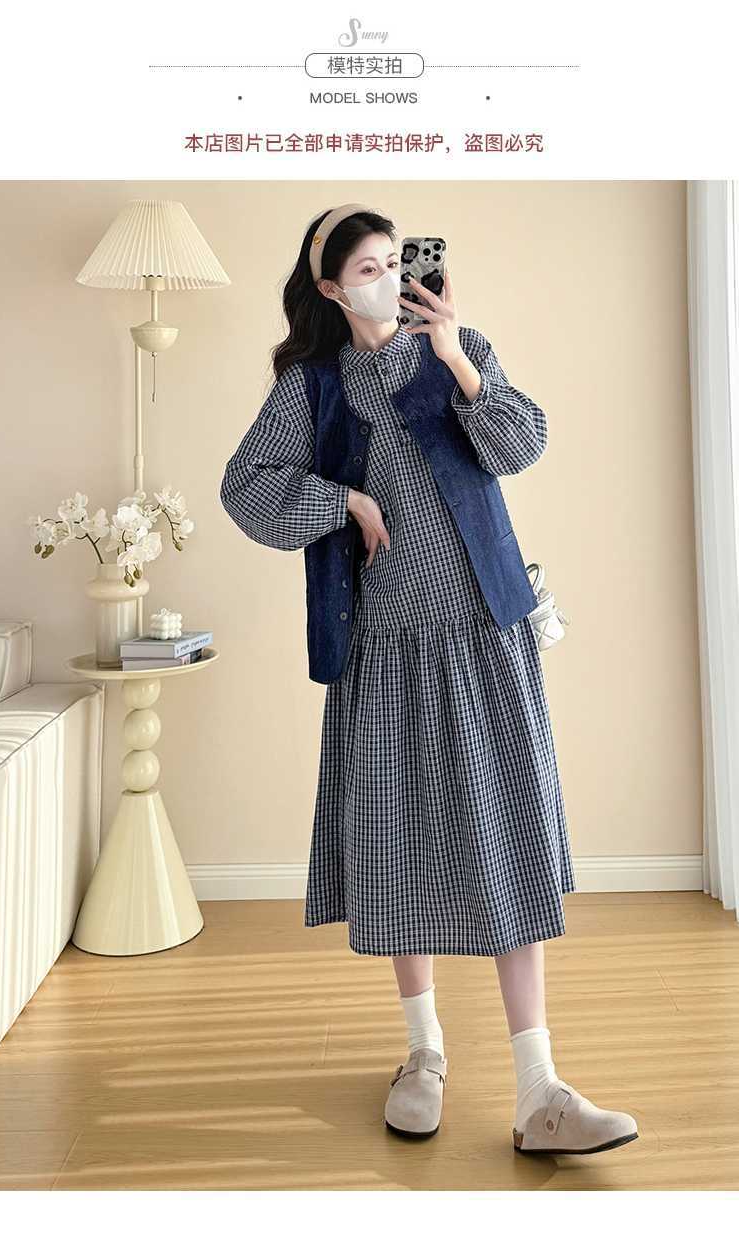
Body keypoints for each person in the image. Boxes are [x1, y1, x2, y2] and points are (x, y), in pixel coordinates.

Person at [220, 202, 639, 1155]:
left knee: (506, 842)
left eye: (392, 260)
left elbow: (521, 445)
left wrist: (456, 356)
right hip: (384, 650)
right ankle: (423, 1054)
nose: (386, 278)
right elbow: (246, 488)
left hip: (486, 635)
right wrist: (343, 498)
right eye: (366, 268)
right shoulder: (314, 388)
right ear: (331, 289)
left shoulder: (458, 350)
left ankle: (540, 1089)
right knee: (397, 842)